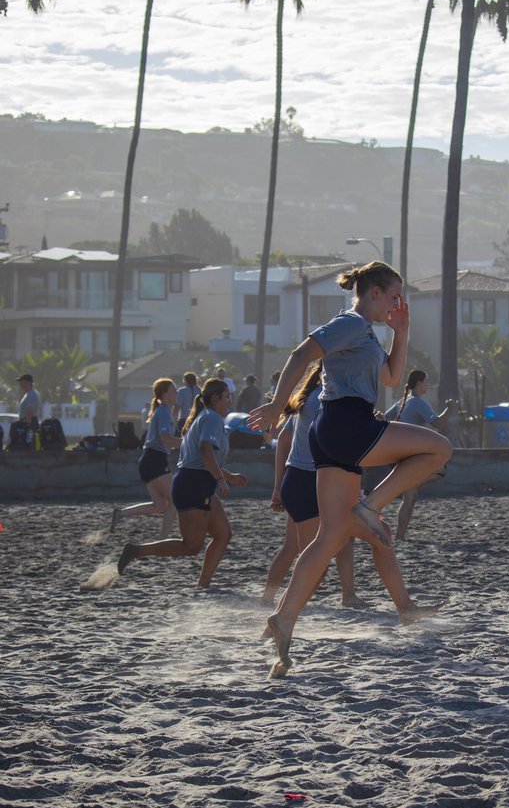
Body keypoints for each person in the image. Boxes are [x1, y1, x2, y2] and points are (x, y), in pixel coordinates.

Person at [248, 260, 451, 676]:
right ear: (374, 292)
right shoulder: (351, 323)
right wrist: (275, 403)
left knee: (327, 538)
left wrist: (402, 332)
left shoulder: (368, 335)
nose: (397, 303)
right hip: (347, 423)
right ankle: (371, 505)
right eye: (394, 296)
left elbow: (394, 378)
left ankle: (284, 618)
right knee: (438, 449)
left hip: (334, 431)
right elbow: (301, 354)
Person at [268, 361, 443, 624]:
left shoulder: (324, 398)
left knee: (377, 536)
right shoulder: (325, 400)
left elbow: (291, 440)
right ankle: (278, 618)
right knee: (316, 562)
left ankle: (403, 608)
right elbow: (335, 445)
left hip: (313, 480)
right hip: (313, 481)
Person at [117, 377, 248, 588]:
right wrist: (222, 481)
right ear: (215, 398)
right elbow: (205, 452)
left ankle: (204, 583)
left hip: (197, 483)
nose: (230, 401)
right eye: (227, 397)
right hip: (194, 485)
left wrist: (229, 476)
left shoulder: (207, 417)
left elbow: (206, 457)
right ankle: (136, 550)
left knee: (223, 534)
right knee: (190, 546)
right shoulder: (211, 418)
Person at [385, 369, 458, 541]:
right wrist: (450, 408)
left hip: (398, 455)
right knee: (437, 473)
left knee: (413, 493)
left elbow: (383, 420)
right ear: (418, 383)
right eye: (426, 381)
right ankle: (400, 536)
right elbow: (438, 423)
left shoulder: (402, 401)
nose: (428, 384)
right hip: (408, 456)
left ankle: (400, 536)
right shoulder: (418, 403)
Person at [110, 378, 181, 536]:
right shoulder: (162, 411)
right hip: (154, 460)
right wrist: (189, 443)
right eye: (174, 390)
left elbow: (170, 436)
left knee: (160, 505)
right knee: (176, 501)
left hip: (149, 460)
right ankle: (162, 540)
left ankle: (120, 514)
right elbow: (166, 439)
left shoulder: (165, 411)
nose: (177, 393)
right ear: (164, 394)